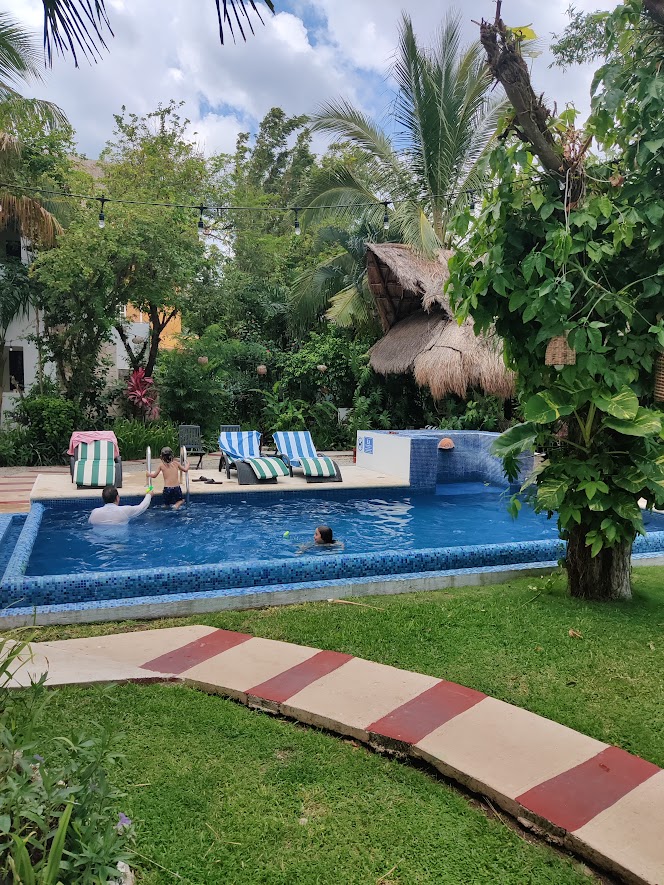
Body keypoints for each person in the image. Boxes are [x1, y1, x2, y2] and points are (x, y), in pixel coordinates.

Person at [89, 484, 153, 526]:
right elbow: (142, 507)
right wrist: (149, 495)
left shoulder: (94, 513)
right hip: (118, 543)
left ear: (103, 499)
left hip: (99, 542)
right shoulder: (124, 511)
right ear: (117, 498)